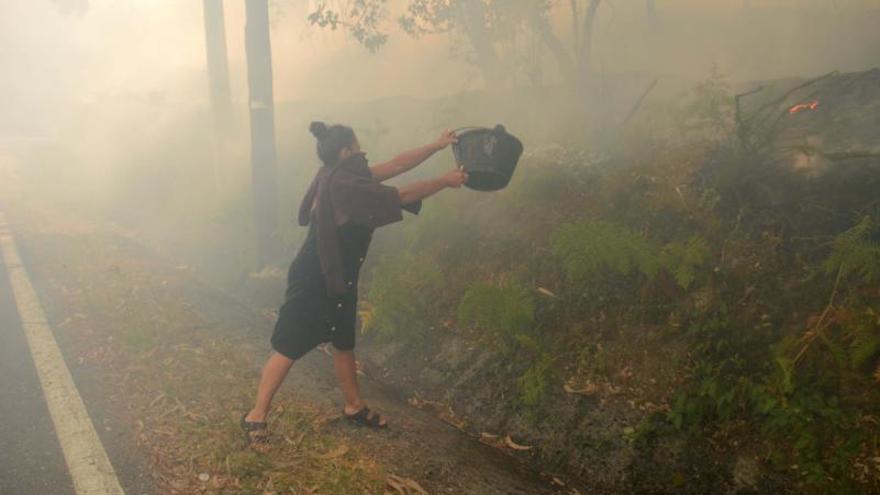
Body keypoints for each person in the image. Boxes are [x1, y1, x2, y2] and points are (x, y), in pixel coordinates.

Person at [241, 121, 467, 444]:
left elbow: (397, 165)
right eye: (358, 145)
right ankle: (256, 416)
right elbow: (400, 194)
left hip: (337, 275)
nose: (363, 151)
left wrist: (436, 145)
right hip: (314, 276)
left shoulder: (343, 173)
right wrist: (445, 181)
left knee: (343, 340)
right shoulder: (343, 185)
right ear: (346, 150)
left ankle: (353, 407)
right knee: (289, 345)